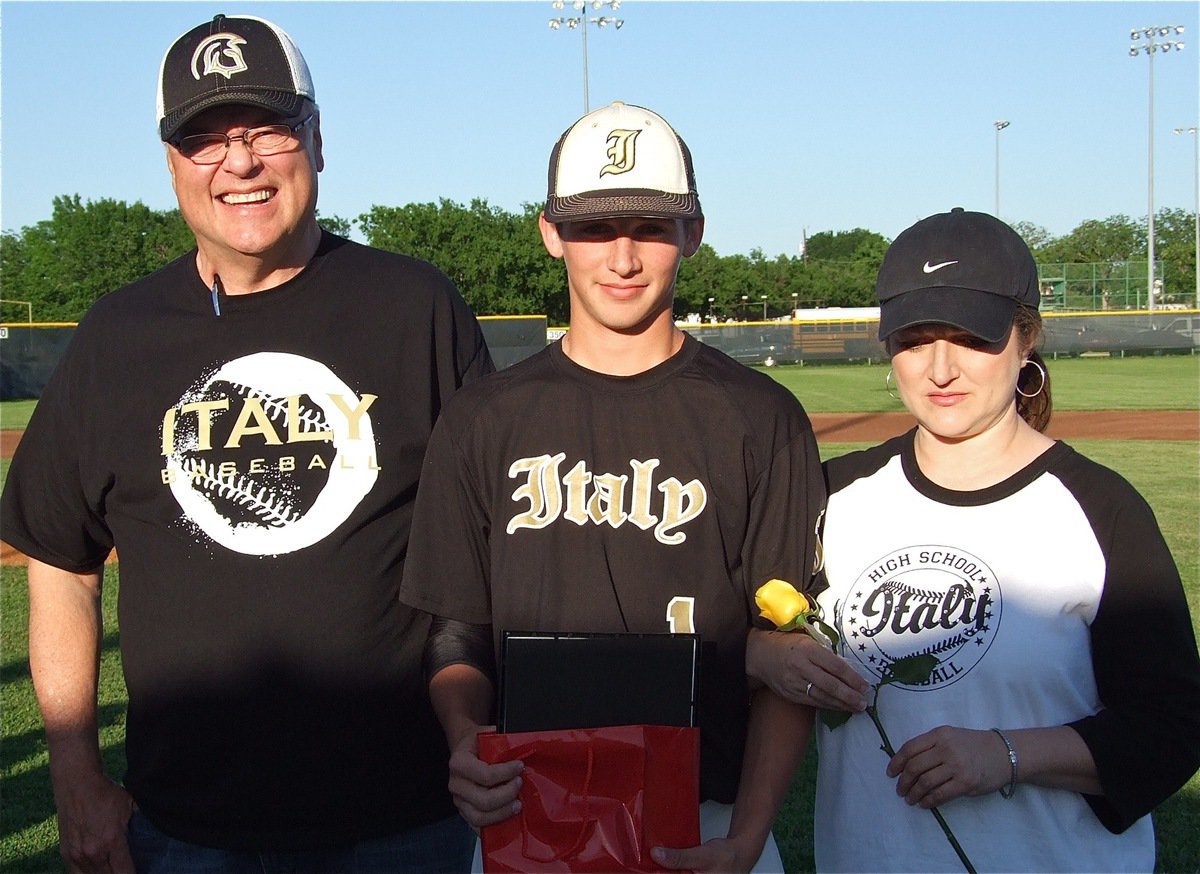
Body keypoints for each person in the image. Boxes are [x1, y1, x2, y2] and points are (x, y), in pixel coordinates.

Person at [0, 13, 492, 873]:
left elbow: (488, 546)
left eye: (268, 126)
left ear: (317, 139)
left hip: (407, 819)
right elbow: (63, 566)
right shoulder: (118, 336)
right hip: (187, 829)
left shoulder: (416, 308)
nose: (241, 161)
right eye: (205, 139)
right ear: (171, 165)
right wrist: (76, 780)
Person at [398, 101, 825, 872]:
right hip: (531, 813)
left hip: (707, 823)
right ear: (550, 233)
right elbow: (456, 632)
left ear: (692, 233)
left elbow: (785, 654)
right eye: (594, 228)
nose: (622, 257)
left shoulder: (762, 418)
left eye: (650, 228)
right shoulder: (483, 417)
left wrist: (750, 837)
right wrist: (467, 740)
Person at [748, 208, 1200, 871]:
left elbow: (1175, 726)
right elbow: (738, 633)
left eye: (970, 338)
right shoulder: (831, 495)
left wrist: (1004, 754)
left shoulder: (1100, 508)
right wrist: (765, 656)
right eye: (915, 339)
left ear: (1026, 340)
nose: (939, 369)